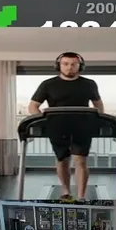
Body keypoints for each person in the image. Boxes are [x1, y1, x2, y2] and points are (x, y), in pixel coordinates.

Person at [27, 52, 103, 201]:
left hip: (82, 126)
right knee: (62, 160)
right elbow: (33, 106)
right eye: (65, 64)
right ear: (59, 65)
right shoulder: (48, 84)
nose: (70, 67)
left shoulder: (89, 84)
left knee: (80, 160)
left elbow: (98, 105)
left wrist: (97, 121)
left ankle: (81, 196)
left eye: (74, 64)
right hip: (57, 126)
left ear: (80, 66)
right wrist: (43, 122)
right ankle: (66, 191)